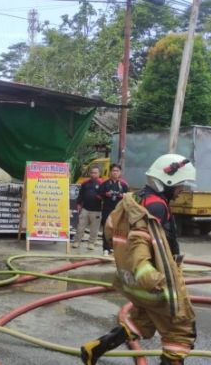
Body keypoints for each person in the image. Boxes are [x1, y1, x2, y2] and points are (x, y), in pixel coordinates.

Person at [80, 154, 197, 365]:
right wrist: (152, 277)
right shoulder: (156, 206)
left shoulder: (134, 199)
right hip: (152, 281)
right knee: (181, 332)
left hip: (132, 281)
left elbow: (110, 230)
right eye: (180, 185)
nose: (181, 190)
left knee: (141, 322)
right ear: (168, 181)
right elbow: (140, 243)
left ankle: (94, 349)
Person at [98, 164, 129, 256]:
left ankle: (115, 248)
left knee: (118, 229)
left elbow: (129, 197)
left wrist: (123, 196)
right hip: (107, 209)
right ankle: (106, 249)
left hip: (119, 211)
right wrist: (105, 194)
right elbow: (99, 195)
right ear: (110, 172)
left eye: (117, 171)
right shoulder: (105, 184)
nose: (115, 172)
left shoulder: (124, 185)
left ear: (120, 172)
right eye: (113, 171)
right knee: (106, 229)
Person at [73, 166, 103, 250]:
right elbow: (81, 195)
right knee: (80, 226)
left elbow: (104, 196)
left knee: (94, 228)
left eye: (95, 172)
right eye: (92, 172)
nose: (93, 174)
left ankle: (91, 243)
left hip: (96, 210)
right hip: (85, 209)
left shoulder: (102, 184)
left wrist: (101, 197)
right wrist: (79, 204)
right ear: (90, 173)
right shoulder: (85, 183)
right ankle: (77, 241)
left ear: (99, 174)